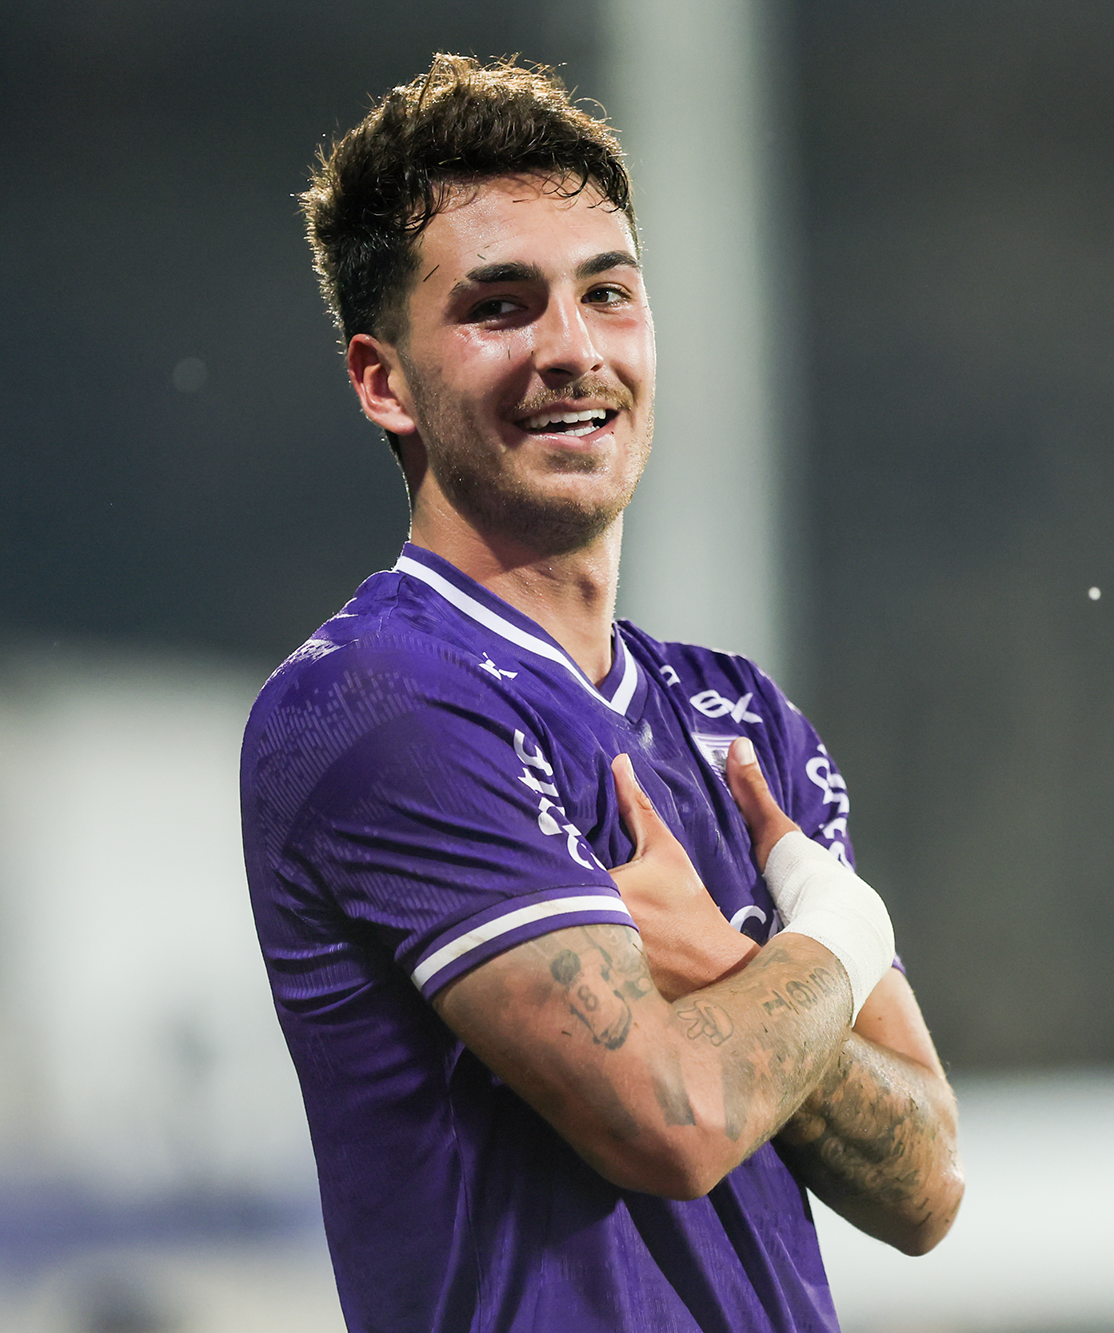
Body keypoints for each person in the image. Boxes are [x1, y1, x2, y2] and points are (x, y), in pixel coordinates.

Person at [240, 54, 962, 1332]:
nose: (571, 350)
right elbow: (668, 1121)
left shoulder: (736, 720)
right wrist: (831, 940)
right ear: (381, 380)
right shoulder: (370, 707)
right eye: (499, 306)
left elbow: (924, 1179)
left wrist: (725, 960)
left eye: (607, 294)